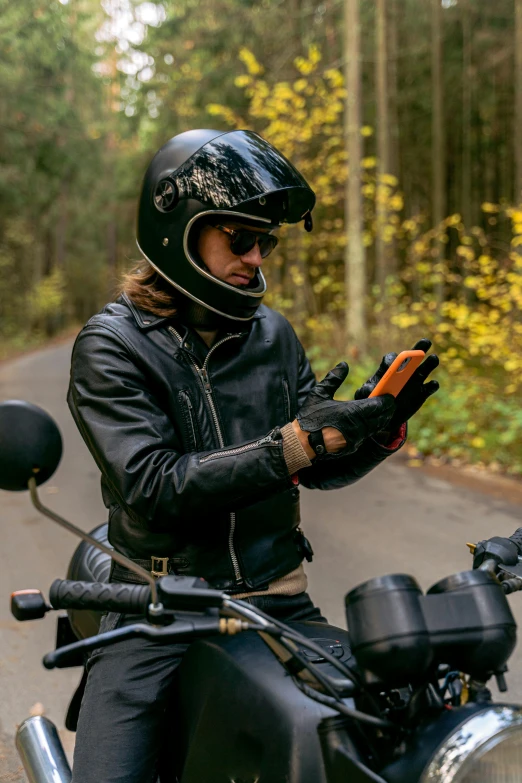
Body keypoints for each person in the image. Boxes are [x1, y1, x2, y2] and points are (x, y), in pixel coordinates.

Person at [67, 128, 439, 782]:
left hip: (277, 599)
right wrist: (296, 440)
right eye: (240, 238)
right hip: (156, 606)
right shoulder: (113, 344)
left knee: (381, 740)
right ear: (180, 229)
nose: (257, 255)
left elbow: (310, 465)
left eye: (265, 241)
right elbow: (156, 484)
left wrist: (375, 428)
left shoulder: (272, 333)